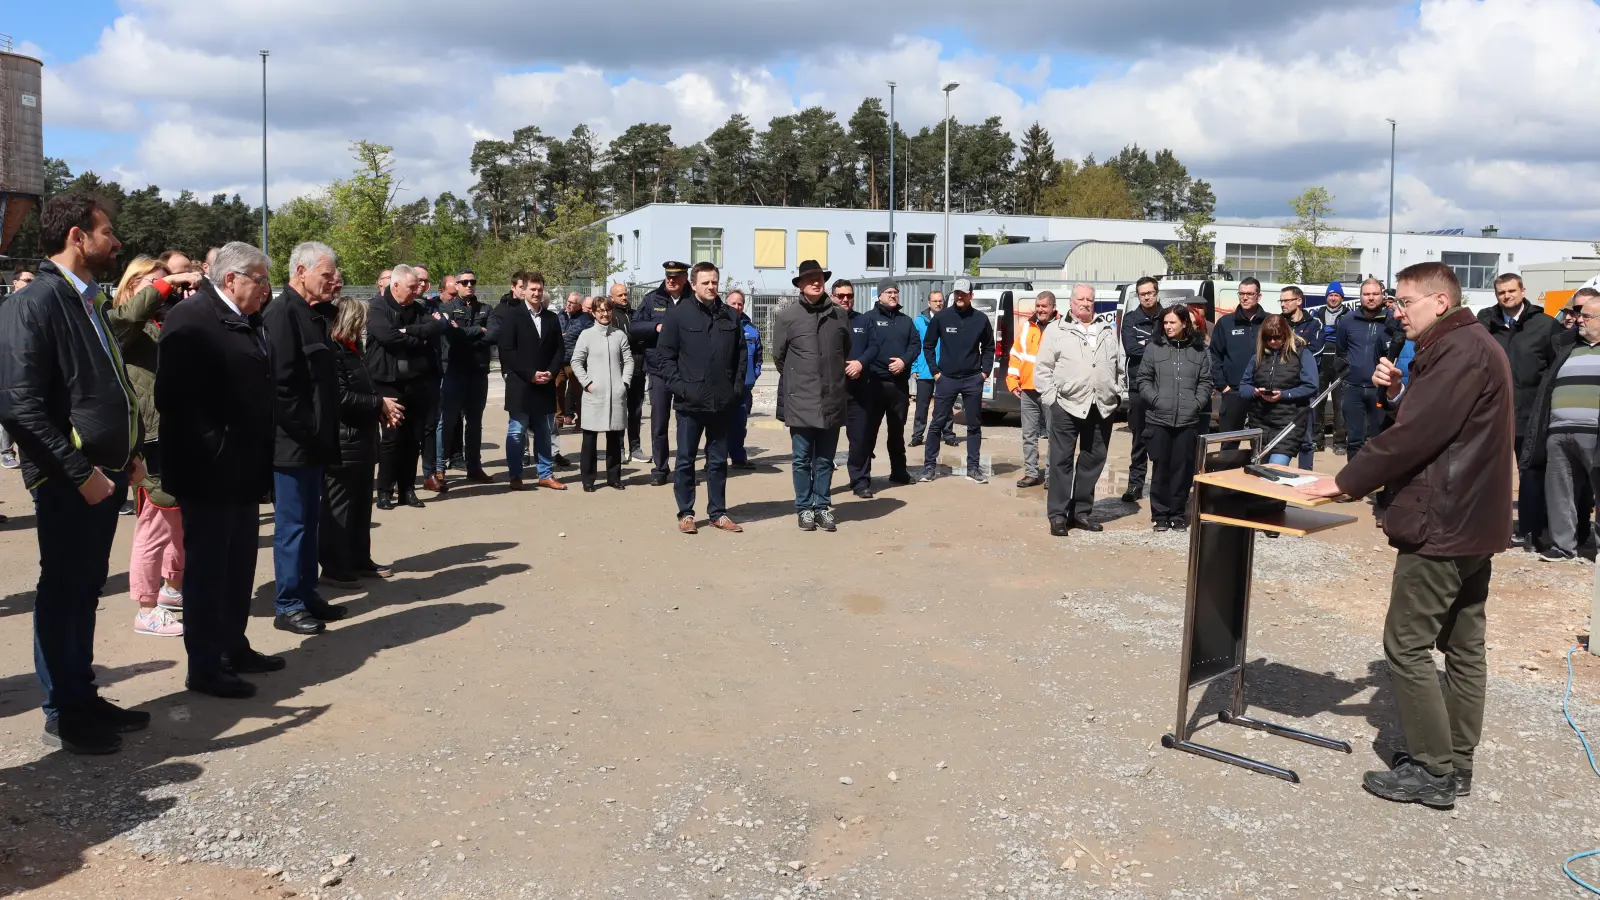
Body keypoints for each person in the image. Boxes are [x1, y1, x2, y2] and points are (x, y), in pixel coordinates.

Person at [1297, 261, 1512, 809]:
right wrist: (1398, 394)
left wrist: (1343, 481)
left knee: (1407, 645)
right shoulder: (1464, 347)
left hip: (1442, 522)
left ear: (1440, 302)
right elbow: (1439, 422)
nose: (1397, 309)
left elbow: (1417, 437)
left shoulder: (1461, 350)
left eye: (1405, 301)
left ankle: (1435, 770)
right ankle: (1454, 761)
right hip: (1469, 521)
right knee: (1463, 646)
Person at [0, 194, 147, 753]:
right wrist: (79, 472)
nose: (116, 242)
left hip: (103, 474)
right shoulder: (33, 303)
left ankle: (82, 693)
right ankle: (63, 709)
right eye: (107, 232)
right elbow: (19, 406)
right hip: (69, 480)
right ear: (78, 237)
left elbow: (105, 385)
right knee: (63, 590)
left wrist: (126, 453)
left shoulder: (86, 301)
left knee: (85, 589)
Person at [158, 241, 281, 702]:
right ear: (232, 280)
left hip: (243, 470)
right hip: (210, 473)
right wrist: (219, 451)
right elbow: (177, 402)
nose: (267, 289)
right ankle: (205, 665)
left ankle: (233, 645)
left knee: (238, 566)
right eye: (260, 280)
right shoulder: (191, 320)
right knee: (209, 571)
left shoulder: (245, 320)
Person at [108, 255, 204, 636]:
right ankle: (146, 607)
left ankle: (172, 590)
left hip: (179, 433)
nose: (167, 288)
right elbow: (128, 320)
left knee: (177, 521)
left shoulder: (163, 320)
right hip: (150, 439)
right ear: (133, 287)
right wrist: (165, 283)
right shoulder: (120, 322)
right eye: (156, 283)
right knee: (154, 523)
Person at [263, 241, 347, 636]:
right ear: (300, 272)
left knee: (311, 522)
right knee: (293, 526)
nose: (336, 281)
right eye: (327, 275)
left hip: (313, 442)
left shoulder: (313, 315)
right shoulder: (281, 314)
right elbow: (282, 389)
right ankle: (289, 603)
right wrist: (310, 432)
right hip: (293, 443)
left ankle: (308, 593)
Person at [658, 261, 746, 534]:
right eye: (705, 282)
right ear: (692, 284)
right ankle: (686, 513)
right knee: (685, 460)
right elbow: (665, 358)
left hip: (721, 403)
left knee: (718, 461)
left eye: (715, 282)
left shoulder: (730, 316)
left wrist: (735, 389)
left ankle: (717, 513)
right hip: (689, 402)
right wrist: (681, 388)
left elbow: (741, 356)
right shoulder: (678, 315)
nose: (711, 286)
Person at [322, 298, 400, 583]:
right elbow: (340, 397)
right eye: (361, 320)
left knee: (360, 506)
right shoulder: (334, 352)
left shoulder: (355, 351)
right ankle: (334, 567)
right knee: (339, 508)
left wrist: (378, 408)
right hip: (344, 441)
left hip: (362, 439)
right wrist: (379, 404)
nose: (365, 326)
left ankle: (358, 559)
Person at [1479, 273, 1558, 551]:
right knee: (1490, 473)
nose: (1506, 296)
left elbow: (1555, 368)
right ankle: (1489, 528)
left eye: (1512, 291)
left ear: (1523, 291)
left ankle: (1531, 531)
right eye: (1501, 292)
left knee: (1531, 473)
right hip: (1493, 414)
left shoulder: (1546, 325)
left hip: (1530, 413)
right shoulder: (1485, 323)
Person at [1035, 284, 1122, 536]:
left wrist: (1117, 391)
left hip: (1101, 405)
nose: (1085, 303)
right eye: (1081, 299)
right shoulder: (1056, 329)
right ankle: (1058, 516)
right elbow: (1042, 369)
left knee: (1094, 459)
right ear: (1071, 302)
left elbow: (1118, 364)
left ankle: (1081, 513)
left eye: (1090, 299)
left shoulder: (1106, 329)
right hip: (1066, 404)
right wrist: (1051, 399)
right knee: (1061, 461)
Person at [1523, 288, 1600, 562]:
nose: (1579, 320)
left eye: (1587, 316)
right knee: (1559, 490)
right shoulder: (1568, 348)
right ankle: (1562, 546)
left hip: (1595, 433)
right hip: (1558, 431)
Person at [772, 260, 849, 531]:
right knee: (802, 458)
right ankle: (804, 508)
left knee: (826, 459)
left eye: (819, 277)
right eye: (810, 279)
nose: (816, 282)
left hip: (832, 399)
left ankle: (822, 506)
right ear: (800, 285)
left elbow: (845, 351)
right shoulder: (788, 317)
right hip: (801, 400)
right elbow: (779, 357)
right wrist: (800, 378)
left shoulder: (839, 315)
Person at [366, 264, 449, 509]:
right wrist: (417, 338)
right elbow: (387, 337)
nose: (417, 291)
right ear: (396, 286)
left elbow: (436, 326)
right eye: (412, 287)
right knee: (392, 438)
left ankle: (407, 490)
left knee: (413, 439)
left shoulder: (417, 308)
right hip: (389, 383)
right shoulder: (377, 307)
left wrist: (408, 331)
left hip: (416, 383)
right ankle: (384, 491)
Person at [1135, 304, 1212, 531]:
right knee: (1161, 469)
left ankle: (1177, 513)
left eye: (1172, 322)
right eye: (1165, 323)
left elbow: (1206, 381)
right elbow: (1143, 380)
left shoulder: (1199, 350)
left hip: (1187, 421)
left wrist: (1196, 404)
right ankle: (1159, 515)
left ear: (1184, 324)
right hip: (1159, 419)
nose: (1167, 327)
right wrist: (1157, 401)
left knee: (1182, 469)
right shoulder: (1154, 348)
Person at [496, 271, 566, 491]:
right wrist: (530, 374)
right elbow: (507, 351)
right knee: (517, 431)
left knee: (545, 431)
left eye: (540, 289)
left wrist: (550, 373)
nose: (536, 293)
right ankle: (515, 475)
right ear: (523, 290)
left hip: (545, 385)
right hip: (521, 385)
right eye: (532, 289)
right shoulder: (512, 317)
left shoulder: (551, 318)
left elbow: (559, 350)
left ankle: (545, 474)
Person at [920, 278, 994, 483]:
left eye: (964, 293)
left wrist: (984, 373)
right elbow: (928, 345)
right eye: (957, 293)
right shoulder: (942, 317)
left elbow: (989, 348)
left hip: (972, 379)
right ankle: (929, 468)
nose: (960, 297)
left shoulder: (980, 319)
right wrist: (935, 372)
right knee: (937, 423)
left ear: (971, 295)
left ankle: (973, 468)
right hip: (947, 379)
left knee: (974, 425)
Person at [853, 278, 921, 495]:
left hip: (898, 385)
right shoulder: (868, 319)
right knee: (867, 433)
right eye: (889, 292)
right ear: (879, 295)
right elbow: (864, 348)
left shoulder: (905, 321)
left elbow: (915, 345)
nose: (893, 295)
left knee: (897, 431)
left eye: (895, 292)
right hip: (873, 384)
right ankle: (862, 480)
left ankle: (899, 471)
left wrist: (903, 361)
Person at [433, 268, 496, 486]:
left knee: (475, 423)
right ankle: (439, 468)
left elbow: (495, 335)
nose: (470, 285)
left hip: (478, 372)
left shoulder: (486, 308)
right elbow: (451, 335)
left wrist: (467, 333)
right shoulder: (447, 308)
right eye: (465, 282)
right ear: (457, 285)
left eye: (473, 281)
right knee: (447, 421)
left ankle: (474, 467)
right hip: (454, 372)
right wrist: (480, 330)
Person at [632, 261, 691, 485]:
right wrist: (655, 327)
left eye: (676, 277)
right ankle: (660, 469)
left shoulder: (693, 299)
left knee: (686, 423)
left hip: (686, 371)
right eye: (668, 276)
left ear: (685, 278)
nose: (671, 280)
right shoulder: (651, 299)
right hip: (658, 371)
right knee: (659, 423)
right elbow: (635, 327)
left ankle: (684, 470)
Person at [571, 298, 634, 491]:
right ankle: (588, 479)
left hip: (615, 394)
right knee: (589, 439)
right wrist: (587, 383)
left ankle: (614, 477)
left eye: (607, 310)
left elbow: (629, 360)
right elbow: (576, 361)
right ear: (593, 313)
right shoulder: (586, 335)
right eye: (600, 311)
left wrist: (624, 383)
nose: (604, 314)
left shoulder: (619, 335)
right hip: (594, 395)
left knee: (615, 438)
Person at [1239, 314, 1318, 466]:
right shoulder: (1258, 357)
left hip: (1288, 423)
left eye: (1277, 337)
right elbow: (1243, 387)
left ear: (1286, 334)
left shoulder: (1301, 354)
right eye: (1269, 338)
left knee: (1276, 467)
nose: (1273, 342)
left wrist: (1284, 395)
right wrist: (1255, 392)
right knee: (1260, 470)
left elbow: (1311, 386)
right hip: (1260, 422)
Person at [1335, 278, 1402, 458]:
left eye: (1375, 294)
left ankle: (1380, 483)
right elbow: (1340, 351)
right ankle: (1352, 484)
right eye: (1366, 294)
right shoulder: (1347, 321)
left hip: (1380, 389)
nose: (1370, 298)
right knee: (1354, 441)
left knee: (1380, 440)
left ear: (1382, 295)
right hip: (1353, 388)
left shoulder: (1393, 322)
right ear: (1360, 297)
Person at [1007, 290, 1059, 489]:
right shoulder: (1027, 326)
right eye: (1038, 306)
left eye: (1044, 306)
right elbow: (1016, 355)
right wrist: (1013, 381)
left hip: (1051, 391)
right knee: (1028, 435)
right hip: (1028, 389)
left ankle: (1052, 475)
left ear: (1053, 307)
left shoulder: (1061, 328)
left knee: (1054, 435)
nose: (1040, 310)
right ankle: (1031, 473)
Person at [1120, 276, 1162, 500]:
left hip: (1164, 387)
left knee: (1162, 438)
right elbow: (1131, 348)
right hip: (1138, 386)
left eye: (1150, 293)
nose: (1146, 297)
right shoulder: (1131, 319)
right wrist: (1155, 345)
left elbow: (1172, 347)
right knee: (1139, 439)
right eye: (1142, 294)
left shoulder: (1168, 317)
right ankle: (1135, 485)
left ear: (1157, 293)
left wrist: (1146, 344)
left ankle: (1159, 485)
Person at [1209, 277, 1267, 434]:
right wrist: (1223, 386)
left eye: (1249, 294)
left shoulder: (1269, 322)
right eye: (1241, 293)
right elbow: (1214, 355)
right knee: (1229, 442)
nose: (1245, 297)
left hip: (1263, 392)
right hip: (1234, 391)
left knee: (1263, 443)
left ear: (1259, 296)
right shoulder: (1226, 323)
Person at [1279, 286, 1325, 469]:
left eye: (1287, 300)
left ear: (1299, 301)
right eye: (1281, 301)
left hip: (1305, 388)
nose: (1283, 304)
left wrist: (1291, 359)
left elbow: (1316, 349)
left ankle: (1306, 478)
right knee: (1281, 436)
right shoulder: (1277, 323)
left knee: (1306, 440)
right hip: (1282, 386)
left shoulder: (1314, 324)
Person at [909, 290, 956, 447]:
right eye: (935, 301)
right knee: (922, 406)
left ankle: (948, 434)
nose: (938, 303)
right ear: (929, 303)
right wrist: (913, 368)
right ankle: (917, 435)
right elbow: (915, 346)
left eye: (940, 301)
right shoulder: (918, 322)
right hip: (924, 370)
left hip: (945, 370)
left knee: (946, 405)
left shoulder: (950, 320)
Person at [609, 282, 648, 461]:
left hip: (638, 367)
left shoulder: (635, 315)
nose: (624, 298)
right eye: (620, 295)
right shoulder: (610, 316)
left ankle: (635, 448)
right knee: (619, 410)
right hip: (618, 369)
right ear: (612, 298)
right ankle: (619, 449)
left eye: (625, 294)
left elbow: (642, 336)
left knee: (636, 409)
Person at [726, 289, 762, 468]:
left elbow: (759, 356)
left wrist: (754, 374)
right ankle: (714, 461)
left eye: (740, 303)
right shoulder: (719, 324)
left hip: (743, 387)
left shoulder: (752, 330)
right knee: (719, 426)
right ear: (727, 303)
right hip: (722, 385)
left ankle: (739, 459)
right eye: (733, 303)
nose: (737, 306)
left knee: (739, 425)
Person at [1315, 281, 1349, 452]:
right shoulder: (1317, 313)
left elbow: (1348, 336)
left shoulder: (1349, 314)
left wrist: (1330, 332)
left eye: (1336, 295)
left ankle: (1340, 443)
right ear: (1326, 297)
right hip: (1320, 363)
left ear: (1341, 298)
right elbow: (1314, 335)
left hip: (1340, 363)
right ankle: (1317, 441)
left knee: (1340, 405)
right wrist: (1329, 332)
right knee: (1317, 404)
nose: (1333, 298)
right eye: (1331, 295)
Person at [560, 294, 594, 428]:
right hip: (559, 361)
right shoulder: (560, 316)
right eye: (568, 301)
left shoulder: (585, 320)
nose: (568, 304)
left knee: (578, 392)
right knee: (557, 390)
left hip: (575, 362)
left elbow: (587, 340)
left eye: (572, 303)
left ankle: (581, 422)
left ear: (580, 306)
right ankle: (558, 421)